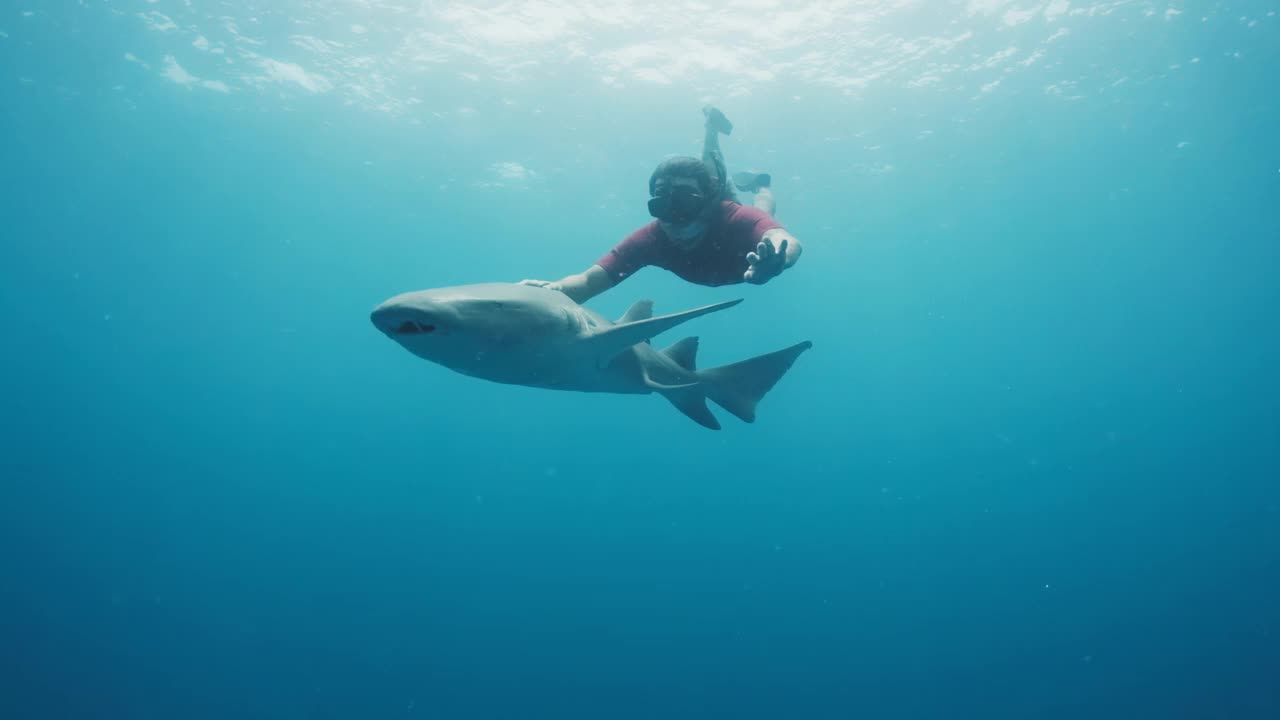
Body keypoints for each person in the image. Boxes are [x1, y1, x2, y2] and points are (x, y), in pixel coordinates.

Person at [520, 106, 802, 304]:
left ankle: (759, 183)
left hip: (729, 213)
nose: (674, 217)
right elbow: (588, 282)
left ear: (706, 204)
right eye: (662, 204)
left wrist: (777, 260)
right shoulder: (651, 239)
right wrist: (554, 290)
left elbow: (785, 240)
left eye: (684, 202)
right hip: (714, 205)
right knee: (708, 173)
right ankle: (711, 127)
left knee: (761, 209)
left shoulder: (735, 218)